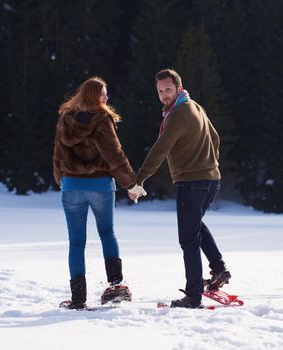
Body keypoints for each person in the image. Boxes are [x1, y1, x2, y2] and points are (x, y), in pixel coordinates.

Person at [129, 68, 231, 308]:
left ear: (178, 87)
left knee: (188, 239)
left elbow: (160, 149)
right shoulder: (195, 106)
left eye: (168, 89)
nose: (164, 95)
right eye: (160, 91)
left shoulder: (178, 115)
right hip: (210, 180)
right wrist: (209, 163)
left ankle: (193, 296)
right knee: (195, 226)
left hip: (193, 183)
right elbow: (215, 138)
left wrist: (140, 179)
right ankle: (219, 269)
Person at [53, 76, 146, 309]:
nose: (106, 97)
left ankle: (78, 299)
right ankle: (115, 286)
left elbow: (57, 155)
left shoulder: (65, 119)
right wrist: (131, 184)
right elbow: (114, 156)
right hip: (101, 186)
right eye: (103, 93)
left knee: (76, 243)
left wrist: (62, 180)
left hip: (71, 187)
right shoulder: (102, 120)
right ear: (94, 95)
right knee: (107, 232)